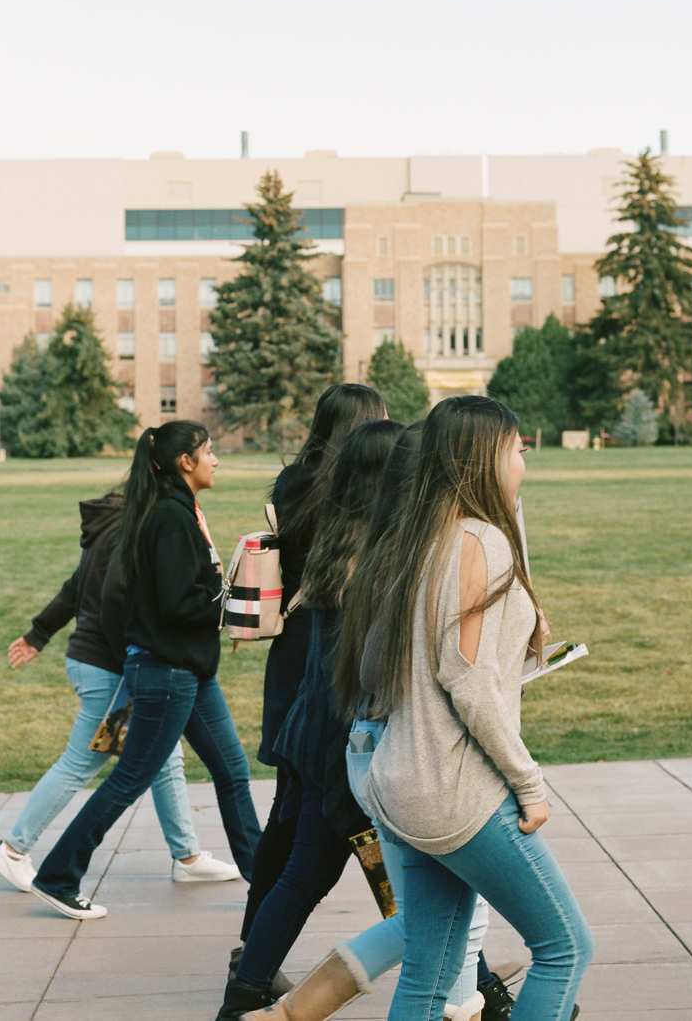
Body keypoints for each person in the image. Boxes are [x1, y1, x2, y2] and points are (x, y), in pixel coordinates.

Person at [363, 396, 592, 1021]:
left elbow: (389, 668)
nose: (525, 461)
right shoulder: (480, 542)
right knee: (566, 948)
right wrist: (529, 783)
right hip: (456, 792)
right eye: (518, 449)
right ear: (485, 457)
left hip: (403, 782)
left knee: (429, 976)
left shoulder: (417, 537)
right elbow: (467, 682)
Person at [27, 421, 262, 920]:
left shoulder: (168, 510)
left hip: (187, 670)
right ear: (185, 462)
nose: (216, 460)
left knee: (232, 771)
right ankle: (57, 875)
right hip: (168, 672)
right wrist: (231, 599)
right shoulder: (169, 518)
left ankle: (265, 882)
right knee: (130, 777)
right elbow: (179, 604)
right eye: (210, 451)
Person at [218, 419, 406, 1020]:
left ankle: (243, 996)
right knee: (407, 880)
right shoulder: (378, 551)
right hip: (347, 740)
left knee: (308, 875)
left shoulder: (339, 537)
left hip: (316, 730)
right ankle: (476, 991)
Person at [0, 490, 240, 892]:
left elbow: (74, 587)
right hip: (110, 669)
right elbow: (112, 602)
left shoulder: (119, 524)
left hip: (104, 664)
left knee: (166, 756)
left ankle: (188, 856)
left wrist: (38, 633)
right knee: (82, 763)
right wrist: (138, 669)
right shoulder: (134, 531)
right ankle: (14, 850)